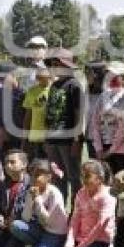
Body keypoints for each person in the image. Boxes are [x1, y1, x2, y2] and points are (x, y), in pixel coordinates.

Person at [10, 159, 69, 247]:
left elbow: (48, 220)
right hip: (42, 229)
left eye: (37, 175)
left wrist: (37, 200)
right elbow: (26, 218)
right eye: (32, 175)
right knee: (16, 225)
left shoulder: (54, 193)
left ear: (49, 177)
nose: (34, 178)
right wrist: (30, 200)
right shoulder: (32, 191)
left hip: (55, 233)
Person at [61, 160, 117, 247]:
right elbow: (75, 218)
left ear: (99, 179)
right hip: (81, 237)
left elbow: (101, 225)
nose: (83, 180)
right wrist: (70, 240)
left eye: (87, 176)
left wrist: (83, 245)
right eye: (82, 176)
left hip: (100, 239)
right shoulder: (81, 193)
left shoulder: (108, 196)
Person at [45, 49, 84, 205]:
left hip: (68, 140)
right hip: (53, 139)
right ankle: (59, 209)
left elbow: (79, 115)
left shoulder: (74, 85)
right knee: (57, 176)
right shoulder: (54, 85)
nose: (54, 67)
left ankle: (77, 211)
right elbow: (49, 113)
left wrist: (77, 140)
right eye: (52, 64)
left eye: (57, 64)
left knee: (74, 176)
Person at [90, 61, 124, 175]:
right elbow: (95, 122)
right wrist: (99, 148)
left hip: (120, 150)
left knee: (120, 181)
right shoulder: (103, 96)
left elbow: (122, 127)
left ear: (123, 78)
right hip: (103, 146)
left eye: (115, 76)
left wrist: (111, 151)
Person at [0, 62, 25, 156]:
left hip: (23, 140)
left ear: (13, 75)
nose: (1, 82)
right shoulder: (0, 93)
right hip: (5, 139)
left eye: (3, 78)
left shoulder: (24, 93)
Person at [22, 66, 52, 164]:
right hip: (35, 138)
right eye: (37, 75)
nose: (38, 77)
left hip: (51, 138)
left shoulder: (56, 90)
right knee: (38, 166)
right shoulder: (31, 91)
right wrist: (25, 138)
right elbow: (27, 116)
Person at [83, 60, 108, 160]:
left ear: (96, 74)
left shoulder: (108, 93)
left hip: (105, 140)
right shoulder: (87, 91)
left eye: (87, 72)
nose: (85, 75)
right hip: (91, 138)